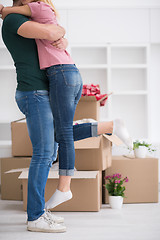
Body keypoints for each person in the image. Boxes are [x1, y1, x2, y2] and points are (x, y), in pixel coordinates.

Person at [0, 0, 133, 233]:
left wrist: (63, 39)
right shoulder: (13, 19)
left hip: (43, 91)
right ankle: (35, 217)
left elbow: (53, 36)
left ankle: (106, 127)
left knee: (55, 142)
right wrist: (60, 33)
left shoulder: (30, 17)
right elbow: (53, 30)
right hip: (34, 93)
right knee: (43, 153)